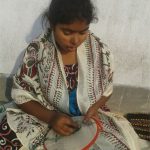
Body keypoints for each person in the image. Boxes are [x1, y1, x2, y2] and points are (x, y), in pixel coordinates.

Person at [0, 0, 140, 149]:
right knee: (8, 133)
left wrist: (95, 107)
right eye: (67, 32)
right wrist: (52, 117)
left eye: (83, 32)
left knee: (117, 144)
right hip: (45, 113)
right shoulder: (38, 50)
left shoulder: (99, 51)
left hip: (86, 117)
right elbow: (22, 94)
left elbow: (107, 90)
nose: (75, 40)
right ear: (53, 25)